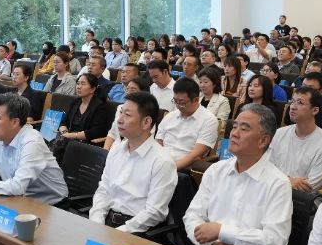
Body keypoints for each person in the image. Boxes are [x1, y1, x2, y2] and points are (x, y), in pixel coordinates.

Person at [184, 105, 293, 245]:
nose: (234, 133)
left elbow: (274, 241)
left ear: (263, 140)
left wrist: (222, 231)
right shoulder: (216, 170)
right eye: (234, 126)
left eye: (244, 128)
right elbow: (192, 216)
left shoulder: (278, 183)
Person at [89, 92, 178, 235]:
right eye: (121, 113)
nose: (119, 120)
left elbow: (154, 212)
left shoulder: (162, 161)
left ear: (146, 122)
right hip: (106, 223)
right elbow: (104, 190)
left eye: (127, 115)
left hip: (137, 231)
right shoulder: (116, 150)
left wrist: (120, 232)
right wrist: (96, 223)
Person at [268, 86, 322, 192]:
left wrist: (279, 180)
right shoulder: (279, 133)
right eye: (292, 102)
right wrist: (288, 181)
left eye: (300, 103)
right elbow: (266, 167)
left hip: (299, 199)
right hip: (270, 189)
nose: (292, 107)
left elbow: (311, 185)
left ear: (315, 110)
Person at [156, 77, 219, 172]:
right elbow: (158, 144)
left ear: (196, 100)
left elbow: (195, 155)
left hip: (182, 169)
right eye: (175, 101)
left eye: (182, 102)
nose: (178, 106)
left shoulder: (209, 120)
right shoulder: (170, 116)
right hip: (160, 163)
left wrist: (170, 169)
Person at [56, 72, 111, 146]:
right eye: (78, 83)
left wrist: (73, 135)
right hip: (69, 139)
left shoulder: (100, 107)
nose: (78, 87)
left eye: (83, 84)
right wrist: (64, 132)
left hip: (87, 143)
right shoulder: (75, 102)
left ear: (92, 89)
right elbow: (63, 122)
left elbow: (95, 132)